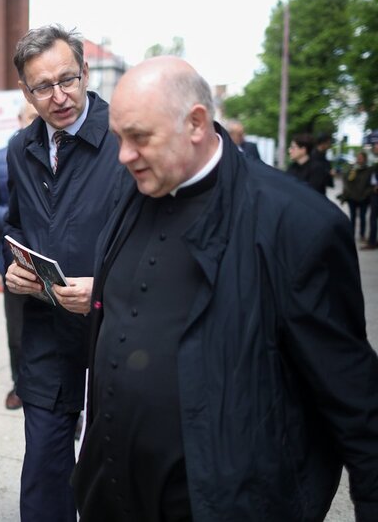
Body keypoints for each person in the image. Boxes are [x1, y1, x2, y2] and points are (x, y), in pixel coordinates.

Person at [72, 55, 378, 521]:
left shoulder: (298, 224)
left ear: (195, 123)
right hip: (114, 494)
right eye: (119, 138)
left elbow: (355, 399)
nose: (124, 156)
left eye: (139, 137)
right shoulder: (133, 191)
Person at [3, 24, 123, 521]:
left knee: (114, 467)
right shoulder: (20, 148)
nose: (59, 97)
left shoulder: (125, 138)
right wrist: (15, 267)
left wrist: (105, 289)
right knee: (45, 465)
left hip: (118, 333)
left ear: (86, 72)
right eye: (43, 87)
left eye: (67, 80)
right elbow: (14, 223)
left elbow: (162, 240)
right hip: (46, 333)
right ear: (25, 92)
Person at [0, 102, 39, 410]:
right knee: (17, 331)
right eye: (30, 117)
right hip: (14, 263)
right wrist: (18, 217)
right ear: (19, 119)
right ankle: (21, 385)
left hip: (56, 266)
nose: (35, 122)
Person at [339, 151, 374, 240]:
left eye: (361, 157)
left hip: (363, 197)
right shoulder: (352, 168)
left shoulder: (369, 170)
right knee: (353, 216)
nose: (359, 159)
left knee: (362, 217)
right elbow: (345, 179)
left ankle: (362, 235)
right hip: (352, 197)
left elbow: (371, 184)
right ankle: (352, 234)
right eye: (358, 157)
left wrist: (366, 193)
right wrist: (351, 172)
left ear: (365, 159)